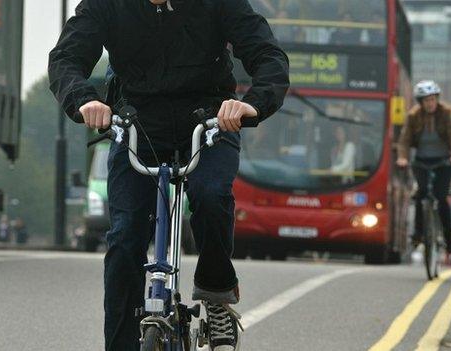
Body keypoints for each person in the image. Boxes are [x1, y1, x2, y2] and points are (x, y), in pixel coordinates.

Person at [48, 1, 289, 350]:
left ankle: (216, 293)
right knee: (126, 235)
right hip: (136, 122)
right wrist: (85, 100)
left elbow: (268, 55)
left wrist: (253, 103)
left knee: (210, 195)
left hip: (209, 120)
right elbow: (66, 58)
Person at [397, 80, 451, 261]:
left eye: (433, 99)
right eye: (426, 100)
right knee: (421, 194)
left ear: (437, 99)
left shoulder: (445, 114)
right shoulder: (413, 117)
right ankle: (418, 234)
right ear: (420, 102)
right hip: (422, 161)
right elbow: (405, 140)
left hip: (443, 162)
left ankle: (449, 242)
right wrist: (403, 157)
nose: (430, 103)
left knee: (441, 197)